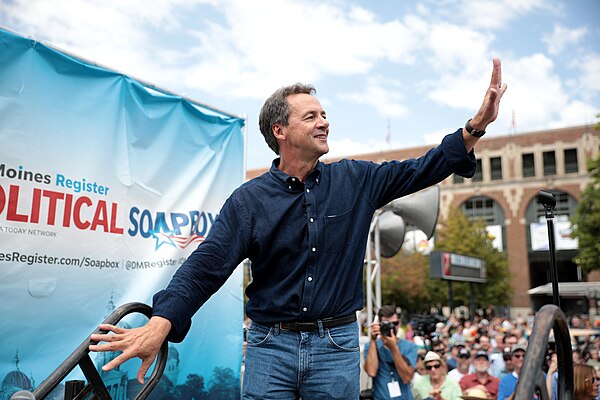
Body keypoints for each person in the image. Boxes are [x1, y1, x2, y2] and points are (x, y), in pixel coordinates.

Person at [89, 59, 507, 399]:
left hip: (338, 347)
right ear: (281, 131)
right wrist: (162, 322)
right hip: (271, 348)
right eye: (311, 116)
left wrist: (475, 127)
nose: (324, 122)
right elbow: (206, 267)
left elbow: (425, 167)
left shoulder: (356, 180)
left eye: (325, 114)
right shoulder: (249, 201)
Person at [364, 305, 418, 399]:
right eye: (387, 324)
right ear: (379, 325)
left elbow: (407, 377)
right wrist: (373, 340)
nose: (391, 328)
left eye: (394, 323)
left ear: (399, 323)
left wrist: (393, 348)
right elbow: (371, 372)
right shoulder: (371, 346)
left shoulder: (410, 346)